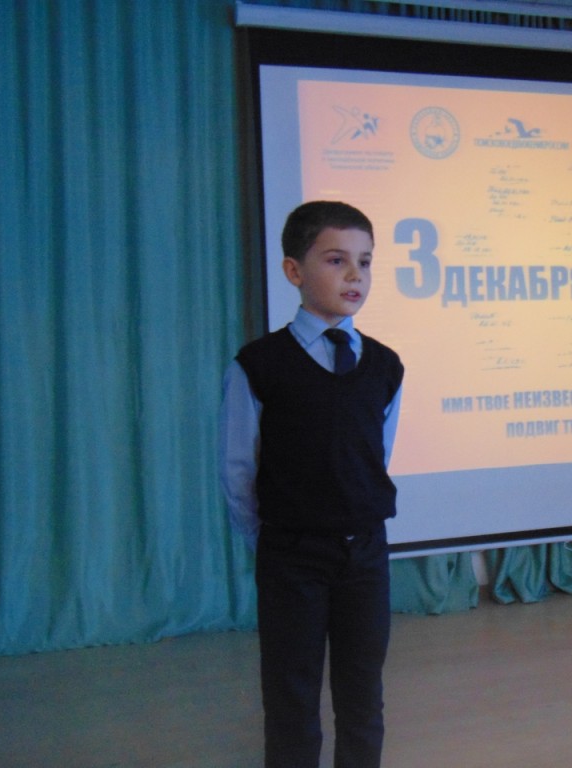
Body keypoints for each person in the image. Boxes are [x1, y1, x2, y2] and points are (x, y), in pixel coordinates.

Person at [218, 201, 404, 768]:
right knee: (292, 693)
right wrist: (272, 540)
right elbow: (237, 469)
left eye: (365, 262)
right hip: (292, 554)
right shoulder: (259, 364)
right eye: (336, 260)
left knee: (362, 692)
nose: (354, 276)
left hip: (364, 552)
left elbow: (377, 453)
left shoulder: (385, 365)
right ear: (294, 270)